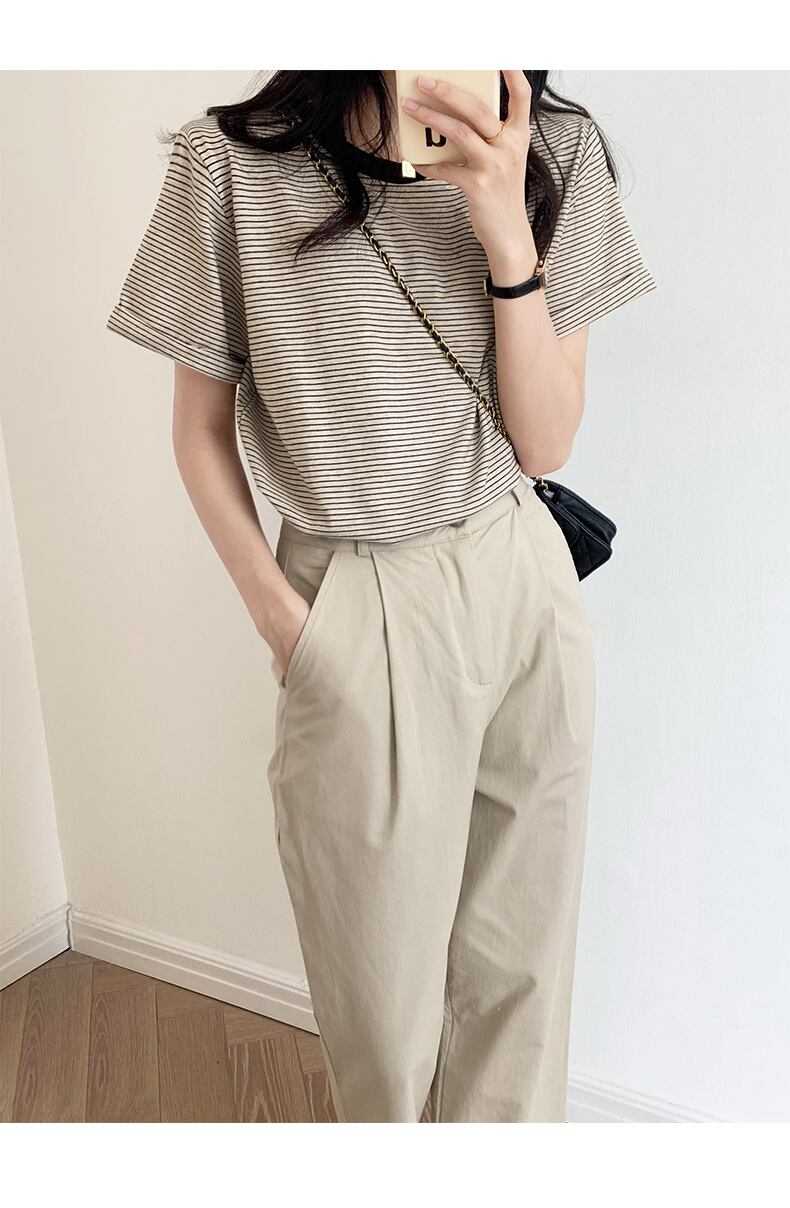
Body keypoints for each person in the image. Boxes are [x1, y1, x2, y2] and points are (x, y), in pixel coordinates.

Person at [106, 69, 656, 1123]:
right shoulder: (228, 166)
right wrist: (287, 621)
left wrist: (504, 229)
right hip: (353, 595)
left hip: (519, 571)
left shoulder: (557, 150)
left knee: (522, 992)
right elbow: (198, 431)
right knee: (384, 1020)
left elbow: (545, 442)